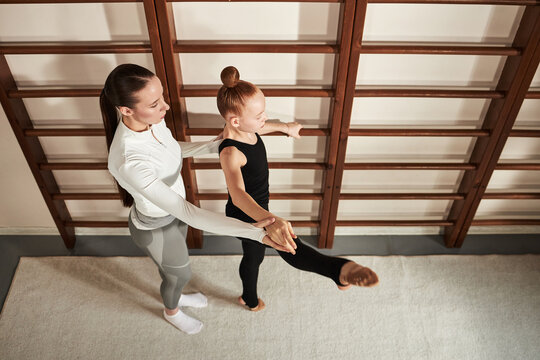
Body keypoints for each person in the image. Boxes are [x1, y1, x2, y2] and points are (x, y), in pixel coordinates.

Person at [100, 64, 297, 335]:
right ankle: (171, 311)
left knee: (171, 270)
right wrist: (257, 233)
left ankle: (176, 293)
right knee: (179, 273)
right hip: (156, 226)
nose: (166, 107)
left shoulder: (150, 122)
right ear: (126, 110)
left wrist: (213, 145)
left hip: (173, 216)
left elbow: (171, 150)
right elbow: (188, 213)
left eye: (162, 98)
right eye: (156, 103)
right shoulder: (127, 160)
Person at [217, 66, 379, 311]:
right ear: (235, 121)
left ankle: (248, 298)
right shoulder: (231, 152)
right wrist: (269, 220)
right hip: (246, 215)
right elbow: (239, 196)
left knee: (254, 255)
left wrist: (285, 128)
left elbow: (260, 128)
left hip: (261, 208)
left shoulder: (245, 129)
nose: (265, 117)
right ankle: (339, 271)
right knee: (289, 245)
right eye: (259, 114)